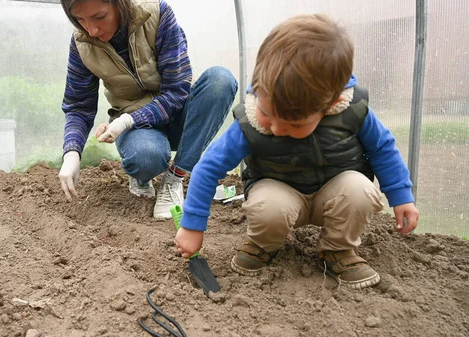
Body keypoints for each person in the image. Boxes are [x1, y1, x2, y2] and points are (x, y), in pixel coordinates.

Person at [173, 14, 420, 289]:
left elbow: (383, 150)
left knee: (360, 190)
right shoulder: (252, 120)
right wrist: (193, 226)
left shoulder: (352, 110)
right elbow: (208, 169)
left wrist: (402, 197)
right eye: (268, 113)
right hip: (281, 193)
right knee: (268, 208)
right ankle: (264, 245)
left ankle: (337, 249)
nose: (276, 129)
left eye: (293, 123)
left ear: (331, 103)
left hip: (335, 196)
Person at [58, 0, 237, 219]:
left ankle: (175, 177)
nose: (91, 30)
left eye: (99, 17)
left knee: (221, 80)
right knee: (146, 157)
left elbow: (177, 89)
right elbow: (79, 105)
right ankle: (142, 176)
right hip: (136, 126)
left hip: (175, 113)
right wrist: (72, 153)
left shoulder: (157, 15)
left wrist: (127, 121)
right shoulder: (82, 42)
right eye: (80, 20)